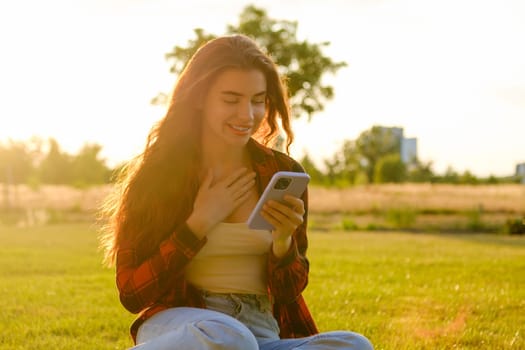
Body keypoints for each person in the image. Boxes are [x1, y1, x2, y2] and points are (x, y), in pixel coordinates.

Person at [99, 34, 373, 350]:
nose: (247, 115)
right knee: (230, 336)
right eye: (231, 100)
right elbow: (133, 293)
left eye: (258, 100)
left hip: (260, 331)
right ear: (200, 97)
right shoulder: (160, 176)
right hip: (185, 327)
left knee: (355, 345)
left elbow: (290, 291)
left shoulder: (282, 172)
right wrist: (198, 224)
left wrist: (283, 242)